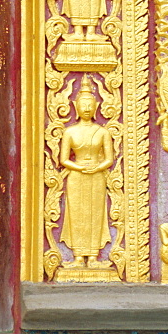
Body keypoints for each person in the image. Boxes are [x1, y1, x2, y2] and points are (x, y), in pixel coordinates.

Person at [59, 75, 114, 267]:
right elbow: (64, 159)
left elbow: (109, 159)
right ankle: (77, 256)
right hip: (76, 176)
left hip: (97, 177)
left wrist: (98, 167)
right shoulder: (70, 132)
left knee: (96, 214)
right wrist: (79, 167)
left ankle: (93, 256)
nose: (87, 108)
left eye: (90, 104)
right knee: (76, 214)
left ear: (96, 106)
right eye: (83, 104)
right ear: (76, 106)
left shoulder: (102, 132)